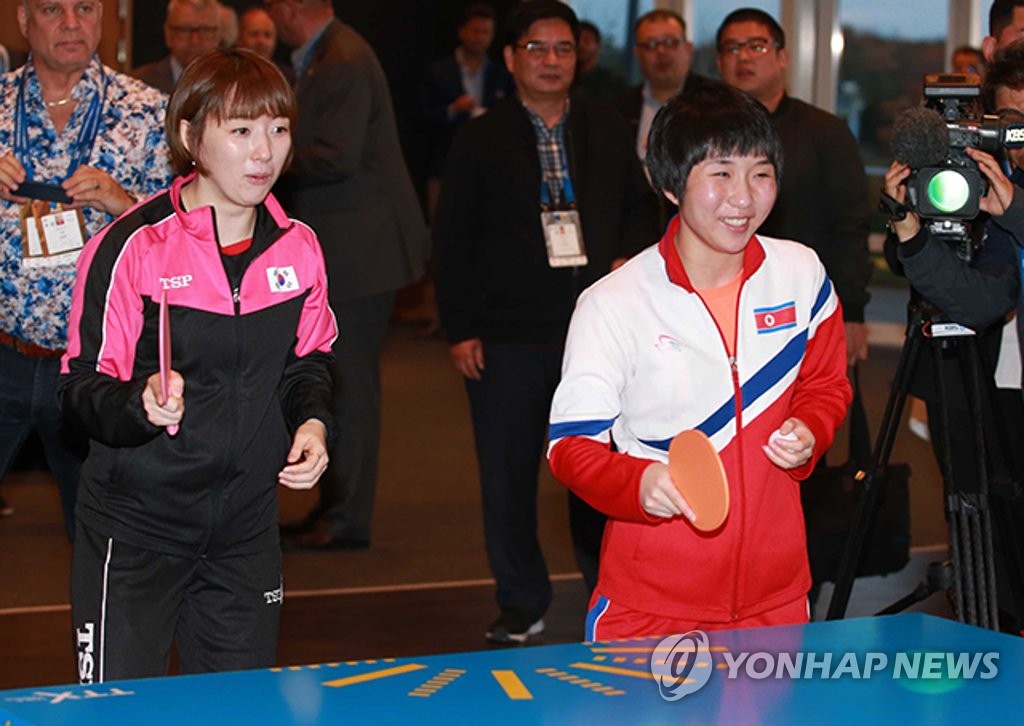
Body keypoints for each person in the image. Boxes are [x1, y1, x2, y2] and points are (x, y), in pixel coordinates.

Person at [61, 48, 337, 681]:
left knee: (240, 712)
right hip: (135, 532)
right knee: (117, 717)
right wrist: (139, 406)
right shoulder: (132, 247)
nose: (263, 152)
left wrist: (313, 423)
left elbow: (308, 362)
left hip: (245, 533)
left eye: (278, 129)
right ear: (190, 137)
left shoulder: (298, 247)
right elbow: (78, 390)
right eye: (240, 131)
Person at [548, 84, 851, 640]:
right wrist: (637, 483)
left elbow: (825, 385)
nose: (744, 197)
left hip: (776, 598)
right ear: (669, 184)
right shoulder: (613, 303)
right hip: (650, 605)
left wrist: (811, 428)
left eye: (761, 174)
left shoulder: (802, 275)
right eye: (721, 174)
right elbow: (571, 448)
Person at [433, 0, 659, 644]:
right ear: (511, 58)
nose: (553, 60)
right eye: (538, 48)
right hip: (506, 337)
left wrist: (628, 254)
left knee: (600, 473)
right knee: (507, 478)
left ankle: (610, 596)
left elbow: (642, 209)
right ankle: (520, 600)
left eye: (564, 48)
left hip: (597, 337)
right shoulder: (481, 137)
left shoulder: (607, 127)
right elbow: (451, 239)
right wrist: (460, 327)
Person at [0, 0, 171, 538]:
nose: (71, 23)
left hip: (100, 364)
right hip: (3, 350)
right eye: (53, 8)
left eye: (85, 8)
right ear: (23, 20)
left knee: (104, 536)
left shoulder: (148, 112)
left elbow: (188, 241)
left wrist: (126, 204)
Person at [268, 0, 430, 551]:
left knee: (349, 386)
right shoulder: (324, 55)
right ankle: (333, 506)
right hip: (353, 246)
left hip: (361, 251)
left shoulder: (342, 58)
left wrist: (262, 154)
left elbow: (337, 156)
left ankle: (345, 518)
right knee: (340, 382)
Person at [882, 41, 1024, 630]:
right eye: (1013, 122)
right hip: (987, 383)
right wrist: (911, 230)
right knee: (993, 527)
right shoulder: (986, 189)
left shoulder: (1008, 200)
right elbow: (981, 300)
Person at [716, 8, 871, 368]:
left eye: (756, 46)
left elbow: (850, 226)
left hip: (804, 304)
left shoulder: (824, 132)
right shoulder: (705, 136)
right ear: (719, 62)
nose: (743, 57)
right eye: (732, 48)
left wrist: (852, 311)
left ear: (782, 57)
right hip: (719, 304)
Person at [419, 2, 513, 217]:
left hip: (490, 166)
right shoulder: (438, 72)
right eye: (475, 31)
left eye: (485, 32)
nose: (480, 38)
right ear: (462, 32)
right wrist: (453, 109)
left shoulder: (501, 75)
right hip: (445, 165)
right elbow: (422, 117)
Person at [612, 10, 711, 170]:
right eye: (650, 45)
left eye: (670, 43)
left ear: (688, 48)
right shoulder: (618, 109)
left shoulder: (714, 102)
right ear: (637, 54)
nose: (661, 52)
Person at [133, 0, 222, 94]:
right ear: (168, 34)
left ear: (218, 34)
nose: (194, 40)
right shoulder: (137, 85)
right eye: (184, 30)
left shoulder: (230, 84)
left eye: (205, 30)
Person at [573, 20, 626, 105]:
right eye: (576, 41)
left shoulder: (612, 83)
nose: (581, 45)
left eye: (587, 41)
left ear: (598, 46)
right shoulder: (564, 80)